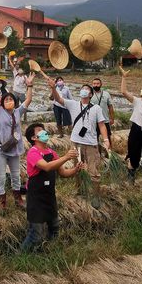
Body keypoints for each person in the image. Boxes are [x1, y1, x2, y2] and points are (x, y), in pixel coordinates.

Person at [21, 124, 82, 252]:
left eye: (43, 129)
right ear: (33, 137)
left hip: (49, 196)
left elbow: (63, 173)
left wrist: (76, 170)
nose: (43, 131)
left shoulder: (52, 153)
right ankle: (22, 255)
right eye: (39, 130)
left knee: (54, 227)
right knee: (35, 234)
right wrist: (66, 157)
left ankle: (49, 251)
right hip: (36, 197)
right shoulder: (33, 152)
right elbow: (47, 167)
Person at [49, 80, 110, 208]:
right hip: (76, 143)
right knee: (77, 168)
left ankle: (95, 195)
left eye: (87, 89)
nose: (84, 91)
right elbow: (59, 99)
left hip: (91, 144)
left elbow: (102, 125)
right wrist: (53, 88)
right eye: (82, 89)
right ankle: (80, 189)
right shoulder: (73, 104)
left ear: (91, 94)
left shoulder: (96, 108)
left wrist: (106, 140)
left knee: (93, 171)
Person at [0, 70, 35, 209]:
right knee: (1, 177)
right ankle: (2, 202)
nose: (9, 101)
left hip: (14, 148)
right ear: (2, 103)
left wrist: (29, 86)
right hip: (1, 148)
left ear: (15, 102)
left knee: (16, 175)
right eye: (6, 100)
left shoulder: (17, 112)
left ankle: (18, 199)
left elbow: (28, 100)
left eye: (11, 99)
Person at [90, 77, 115, 157]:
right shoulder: (89, 95)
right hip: (93, 121)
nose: (96, 85)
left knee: (108, 138)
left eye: (97, 83)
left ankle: (110, 155)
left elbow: (110, 106)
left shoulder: (106, 94)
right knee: (95, 139)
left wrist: (112, 118)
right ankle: (97, 154)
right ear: (92, 85)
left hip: (105, 121)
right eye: (94, 84)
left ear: (101, 84)